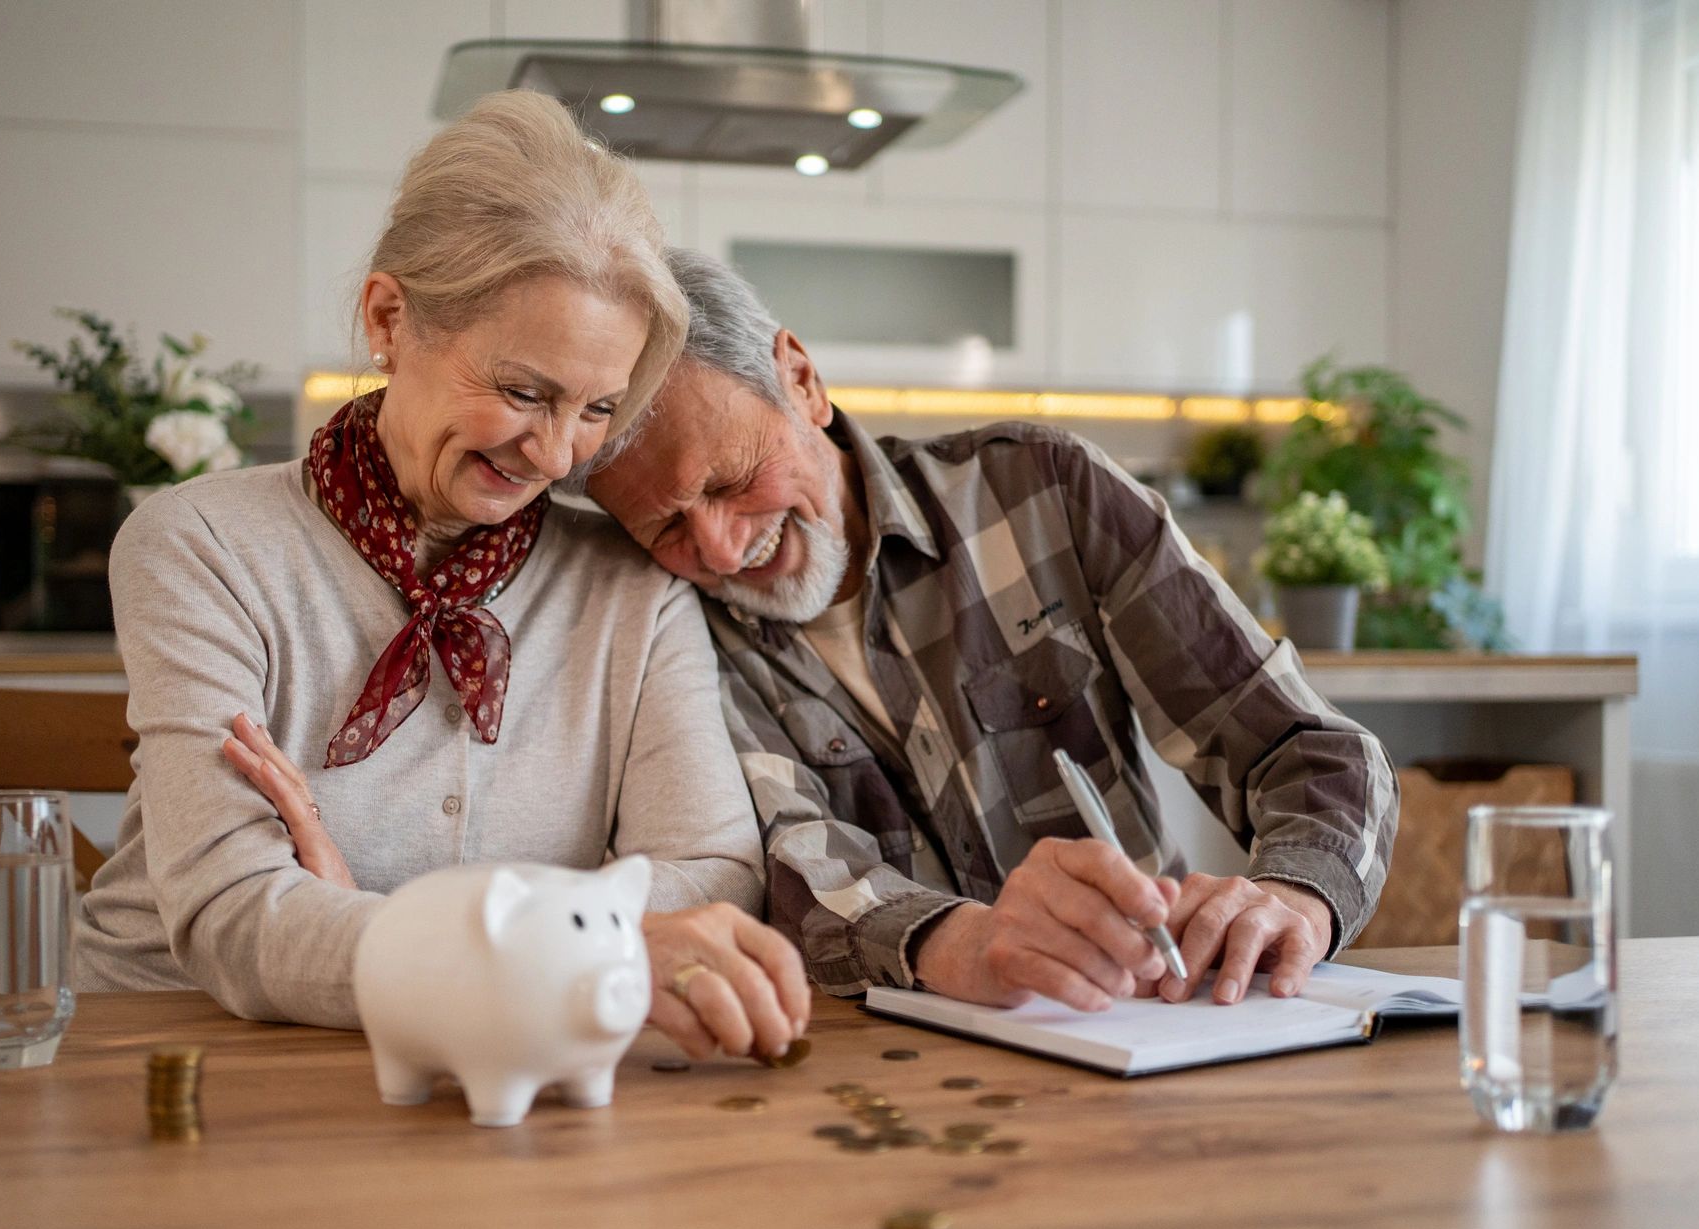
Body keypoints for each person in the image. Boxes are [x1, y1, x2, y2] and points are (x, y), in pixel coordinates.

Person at [74, 95, 809, 1064]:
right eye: (520, 391)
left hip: (496, 1069)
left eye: (596, 408)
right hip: (174, 1056)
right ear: (390, 318)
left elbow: (712, 875)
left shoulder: (635, 591)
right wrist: (569, 941)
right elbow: (234, 913)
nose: (554, 452)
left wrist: (395, 928)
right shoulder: (199, 545)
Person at [583, 249, 1400, 1014]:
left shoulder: (1041, 490)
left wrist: (1295, 896)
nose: (721, 550)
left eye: (730, 480)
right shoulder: (670, 624)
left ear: (799, 381)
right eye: (666, 528)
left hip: (1152, 1014)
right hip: (880, 1069)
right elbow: (794, 868)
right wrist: (967, 942)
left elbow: (1303, 747)